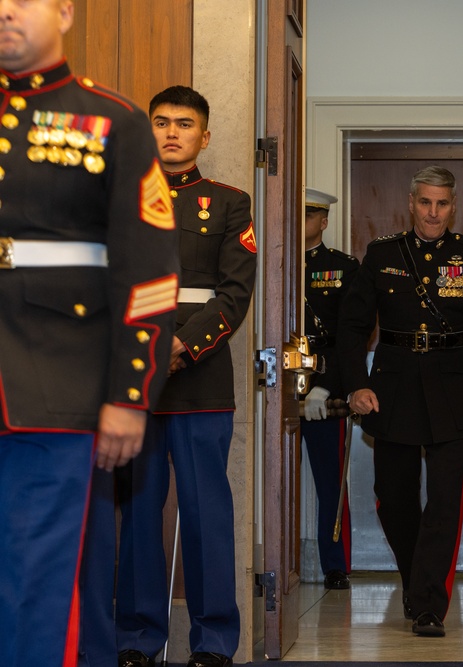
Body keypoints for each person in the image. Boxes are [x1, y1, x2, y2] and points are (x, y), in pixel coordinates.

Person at [0, 1, 180, 665]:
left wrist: (130, 394)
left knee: (37, 587)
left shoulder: (114, 121)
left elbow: (150, 271)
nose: (6, 11)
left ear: (65, 12)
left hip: (57, 391)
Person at [114, 86, 257, 667]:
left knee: (206, 515)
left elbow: (234, 293)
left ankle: (214, 642)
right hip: (132, 382)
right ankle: (137, 640)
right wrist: (142, 350)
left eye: (185, 124)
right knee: (139, 515)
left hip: (199, 379)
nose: (172, 132)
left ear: (204, 135)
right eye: (161, 122)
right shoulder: (118, 200)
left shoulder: (228, 202)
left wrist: (179, 345)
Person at [338, 165, 463, 637]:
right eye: (425, 202)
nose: (433, 212)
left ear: (454, 207)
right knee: (393, 499)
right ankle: (416, 579)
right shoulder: (382, 254)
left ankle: (430, 603)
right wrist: (355, 385)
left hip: (454, 390)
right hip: (391, 389)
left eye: (443, 204)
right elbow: (352, 329)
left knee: (444, 502)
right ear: (411, 203)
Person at [301, 186, 359, 590]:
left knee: (329, 479)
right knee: (272, 478)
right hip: (279, 379)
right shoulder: (270, 262)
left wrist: (327, 386)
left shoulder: (343, 268)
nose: (302, 222)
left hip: (323, 382)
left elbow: (349, 337)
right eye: (297, 214)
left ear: (324, 221)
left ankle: (334, 564)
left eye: (310, 215)